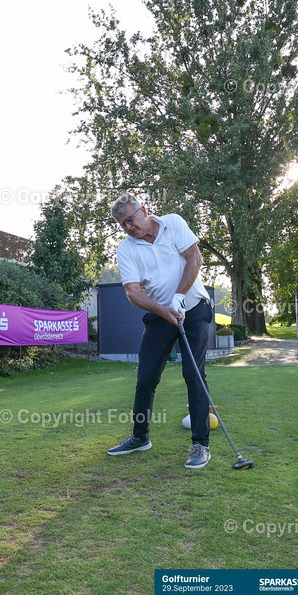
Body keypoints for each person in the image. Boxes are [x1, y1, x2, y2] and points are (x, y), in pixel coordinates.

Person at [106, 194, 215, 469]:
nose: (129, 227)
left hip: (194, 310)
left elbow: (194, 257)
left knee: (193, 373)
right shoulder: (126, 249)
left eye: (131, 219)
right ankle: (140, 437)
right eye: (123, 224)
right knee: (146, 377)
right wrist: (164, 310)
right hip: (160, 316)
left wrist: (179, 296)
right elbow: (133, 292)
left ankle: (200, 445)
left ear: (143, 210)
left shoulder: (173, 223)